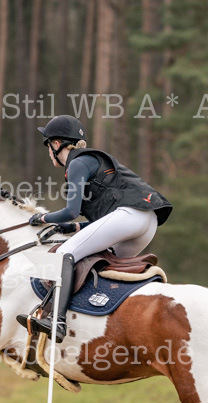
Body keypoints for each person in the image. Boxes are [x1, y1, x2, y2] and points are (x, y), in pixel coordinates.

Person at [22, 114, 173, 342]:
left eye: (48, 145)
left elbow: (71, 211)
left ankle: (57, 321)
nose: (48, 152)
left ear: (56, 144)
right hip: (147, 223)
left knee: (64, 254)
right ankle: (103, 322)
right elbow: (101, 224)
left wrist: (43, 218)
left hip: (130, 217)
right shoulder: (89, 162)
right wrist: (71, 227)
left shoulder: (77, 163)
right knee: (102, 264)